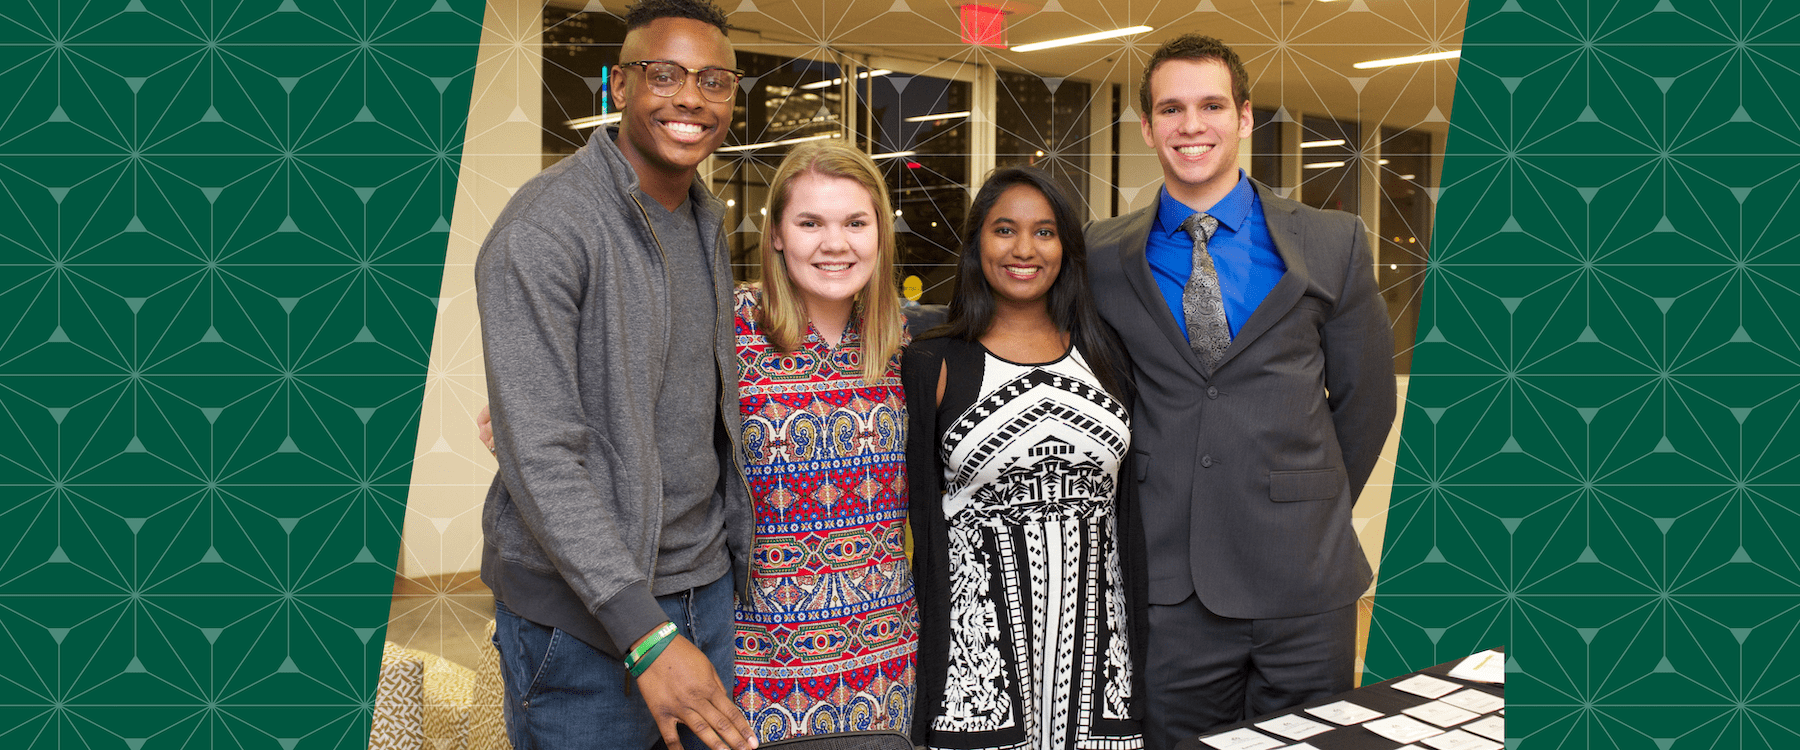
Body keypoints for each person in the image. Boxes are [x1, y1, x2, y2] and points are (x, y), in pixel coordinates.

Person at [1084, 34, 1397, 748]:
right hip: (1171, 585)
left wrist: (1303, 503)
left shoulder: (1331, 241)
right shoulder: (1101, 253)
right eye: (1171, 108)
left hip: (1304, 583)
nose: (1190, 125)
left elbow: (1366, 400)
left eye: (1211, 105)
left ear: (1246, 117)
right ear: (1147, 127)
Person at [471, 0, 758, 747]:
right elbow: (539, 454)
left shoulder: (704, 218)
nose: (691, 97)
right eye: (664, 74)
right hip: (586, 622)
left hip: (703, 592)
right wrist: (646, 634)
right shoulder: (546, 227)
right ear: (617, 85)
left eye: (715, 80)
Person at [902, 167, 1148, 750]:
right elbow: (913, 520)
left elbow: (1130, 510)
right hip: (975, 665)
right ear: (977, 243)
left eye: (1044, 232)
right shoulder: (934, 363)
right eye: (1004, 229)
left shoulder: (1109, 356)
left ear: (1066, 246)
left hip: (1102, 657)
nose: (1023, 249)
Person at [728, 141, 918, 739]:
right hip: (758, 671)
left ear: (880, 234)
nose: (835, 244)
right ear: (778, 233)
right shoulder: (728, 330)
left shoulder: (903, 341)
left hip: (888, 667)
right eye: (810, 222)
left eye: (856, 223)